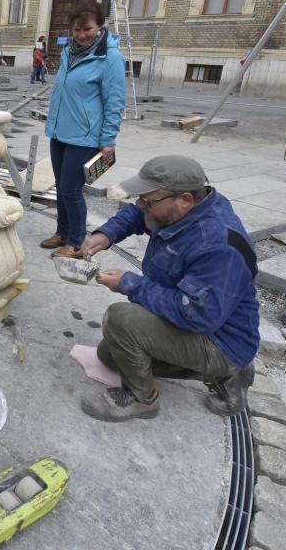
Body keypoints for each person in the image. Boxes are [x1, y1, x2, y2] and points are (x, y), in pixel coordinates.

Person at [77, 155, 260, 422]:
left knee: (121, 319)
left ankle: (142, 399)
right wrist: (106, 234)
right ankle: (223, 373)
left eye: (147, 200)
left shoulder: (216, 245)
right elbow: (138, 215)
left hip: (220, 339)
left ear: (184, 200)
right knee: (110, 354)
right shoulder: (185, 208)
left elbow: (197, 314)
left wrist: (130, 283)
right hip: (200, 321)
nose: (140, 205)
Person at [41, 0, 124, 258]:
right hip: (61, 132)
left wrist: (108, 138)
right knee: (60, 185)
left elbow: (115, 100)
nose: (82, 34)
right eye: (76, 29)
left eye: (87, 28)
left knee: (70, 189)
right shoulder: (70, 52)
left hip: (86, 137)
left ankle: (77, 243)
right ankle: (63, 232)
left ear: (99, 26)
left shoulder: (110, 57)